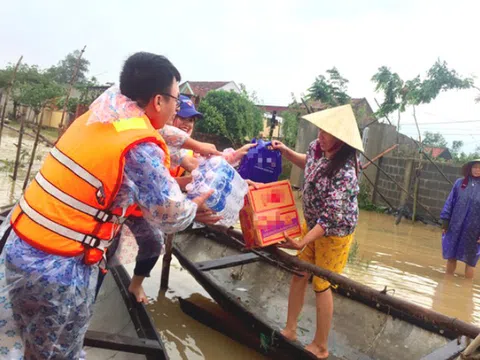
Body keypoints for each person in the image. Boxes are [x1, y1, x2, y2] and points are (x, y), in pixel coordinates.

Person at [0, 52, 220, 359]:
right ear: (158, 101)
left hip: (18, 243)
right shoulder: (140, 146)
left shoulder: (104, 110)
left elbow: (162, 131)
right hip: (58, 268)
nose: (176, 109)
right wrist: (196, 205)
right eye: (175, 98)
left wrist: (193, 146)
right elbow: (170, 215)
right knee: (59, 353)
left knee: (29, 345)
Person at [125, 95, 256, 303]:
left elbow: (201, 168)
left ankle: (136, 283)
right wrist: (192, 199)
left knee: (153, 243)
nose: (187, 124)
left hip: (151, 209)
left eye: (192, 120)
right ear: (169, 116)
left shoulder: (180, 149)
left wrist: (236, 180)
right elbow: (158, 187)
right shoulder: (151, 143)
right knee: (108, 249)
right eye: (183, 118)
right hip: (129, 205)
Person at [272, 104, 363, 359]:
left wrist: (302, 242)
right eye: (321, 130)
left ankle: (321, 346)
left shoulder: (346, 172)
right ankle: (290, 329)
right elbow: (308, 162)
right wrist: (287, 152)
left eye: (328, 133)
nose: (321, 136)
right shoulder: (316, 147)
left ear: (342, 141)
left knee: (322, 284)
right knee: (299, 273)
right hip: (313, 225)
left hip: (334, 234)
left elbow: (330, 217)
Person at [440, 159, 480, 279]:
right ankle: (448, 282)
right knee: (451, 256)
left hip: (474, 230)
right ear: (469, 169)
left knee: (471, 260)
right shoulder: (460, 183)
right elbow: (449, 203)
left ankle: (467, 288)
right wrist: (445, 223)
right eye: (475, 167)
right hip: (455, 226)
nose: (477, 170)